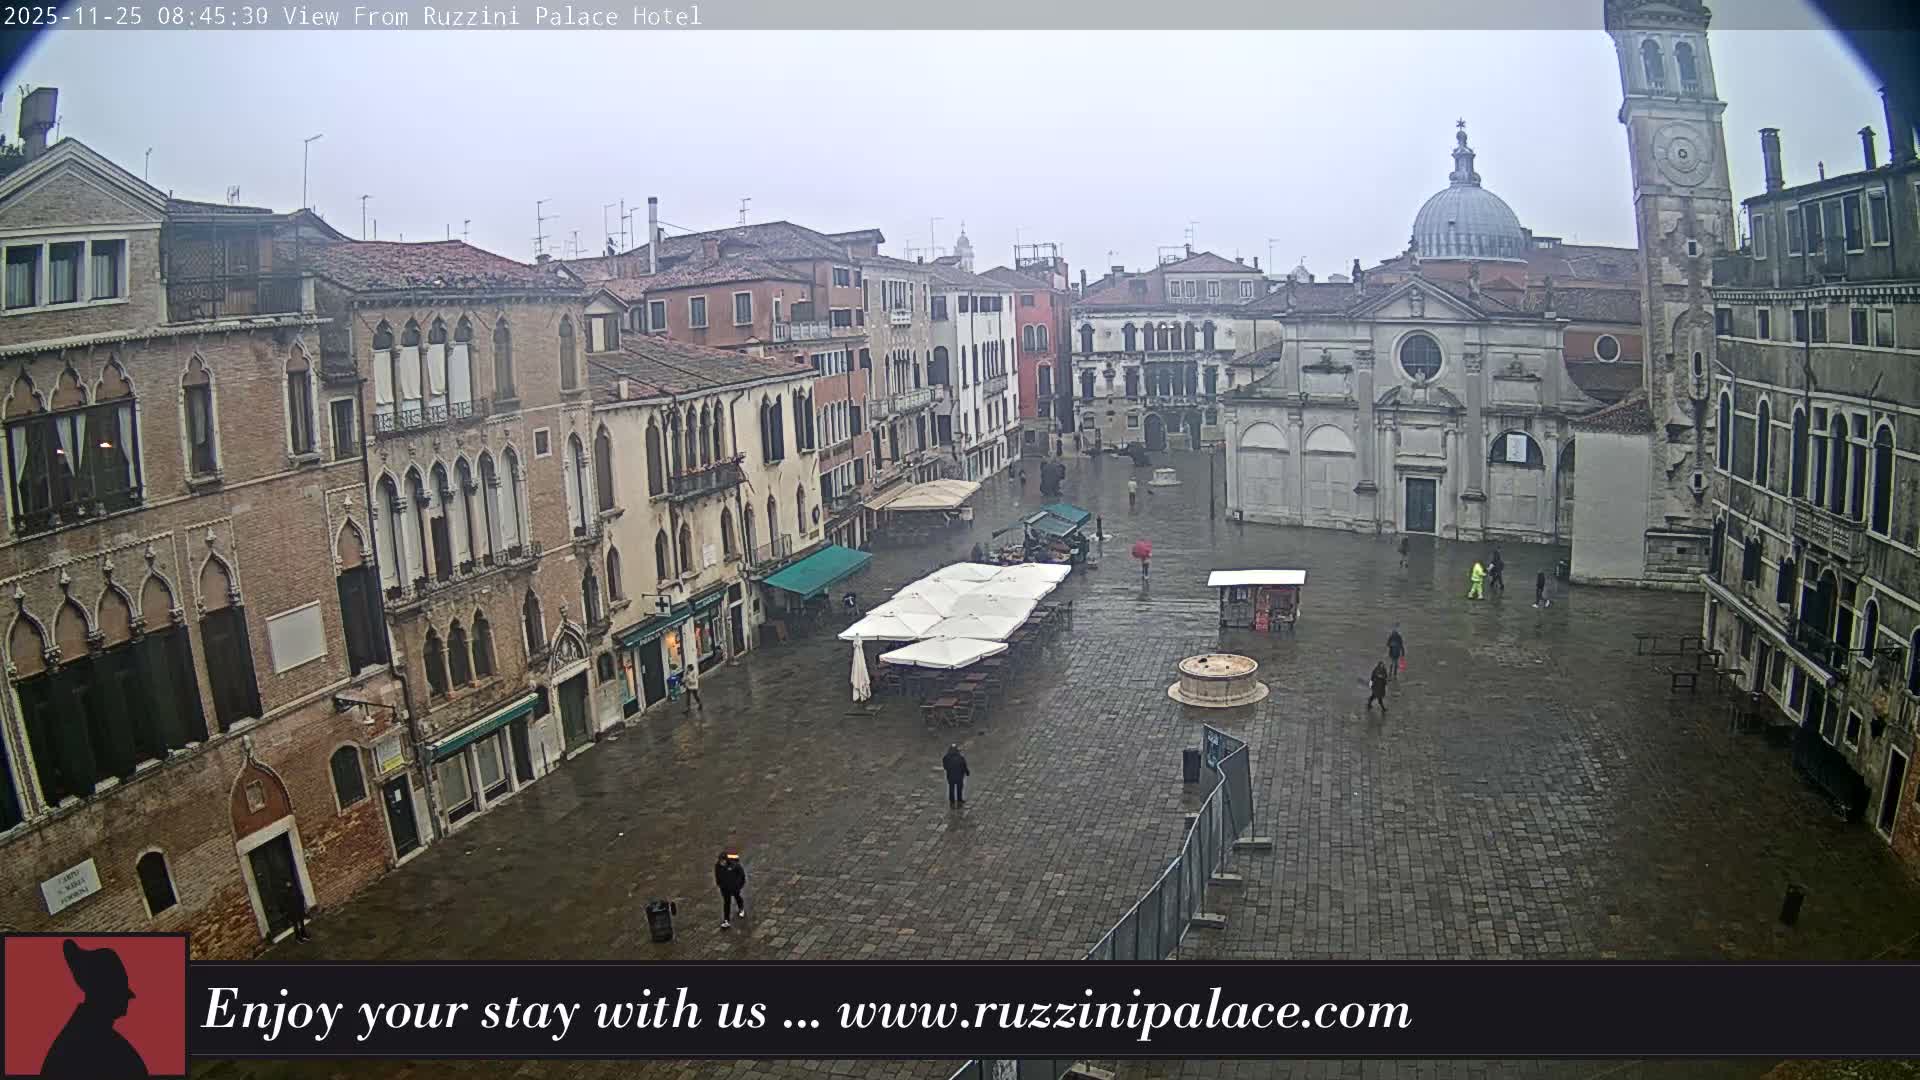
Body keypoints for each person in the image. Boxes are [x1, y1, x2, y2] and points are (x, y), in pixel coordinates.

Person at [41, 940, 149, 1076]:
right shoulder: (80, 1045)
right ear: (104, 992)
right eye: (119, 991)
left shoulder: (89, 1036)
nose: (126, 1001)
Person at [715, 850, 747, 929]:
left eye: (723, 861)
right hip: (725, 889)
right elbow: (717, 876)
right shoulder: (718, 866)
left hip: (734, 887)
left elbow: (742, 876)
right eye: (720, 861)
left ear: (726, 860)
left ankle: (741, 908)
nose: (721, 863)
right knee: (726, 903)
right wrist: (720, 885)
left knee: (737, 897)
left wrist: (738, 886)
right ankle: (726, 920)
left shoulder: (734, 866)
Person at [286, 876, 311, 942]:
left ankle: (303, 934)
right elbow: (286, 903)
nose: (289, 884)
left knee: (301, 921)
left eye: (289, 882)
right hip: (292, 909)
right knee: (295, 924)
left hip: (298, 907)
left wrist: (303, 906)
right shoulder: (285, 892)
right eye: (287, 883)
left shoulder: (295, 888)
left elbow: (301, 896)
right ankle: (298, 937)